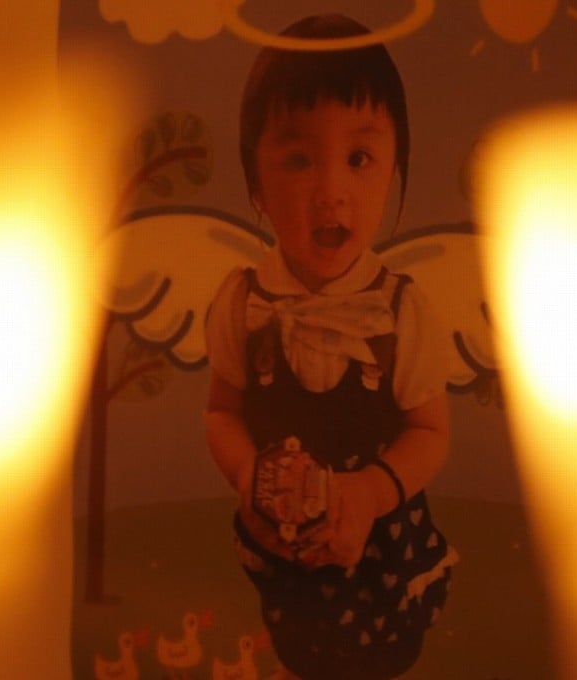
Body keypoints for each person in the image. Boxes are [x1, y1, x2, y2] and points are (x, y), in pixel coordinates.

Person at [204, 14, 458, 679]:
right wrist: (247, 479)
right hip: (284, 547)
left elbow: (431, 430)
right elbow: (222, 412)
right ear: (255, 183)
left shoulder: (401, 312)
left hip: (383, 551)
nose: (330, 191)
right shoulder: (242, 303)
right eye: (297, 159)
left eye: (360, 158)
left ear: (394, 167)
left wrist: (371, 494)